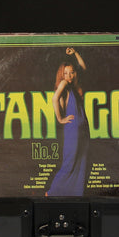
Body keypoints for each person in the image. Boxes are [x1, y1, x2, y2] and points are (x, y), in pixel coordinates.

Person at [46, 47, 90, 196]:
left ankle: (76, 193)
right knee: (70, 161)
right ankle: (51, 193)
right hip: (73, 128)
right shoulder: (64, 84)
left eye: (71, 72)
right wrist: (60, 118)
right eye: (65, 73)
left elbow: (83, 67)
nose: (69, 76)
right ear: (62, 75)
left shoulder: (76, 85)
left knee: (82, 161)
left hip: (83, 127)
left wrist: (76, 53)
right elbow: (54, 99)